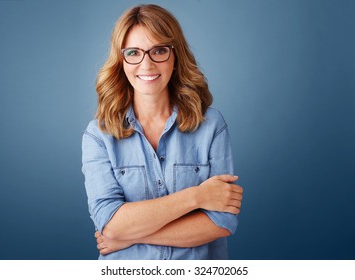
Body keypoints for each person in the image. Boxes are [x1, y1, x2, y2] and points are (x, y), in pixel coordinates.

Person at [81, 4, 243, 260]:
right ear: (121, 60)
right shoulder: (98, 135)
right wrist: (197, 197)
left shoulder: (211, 125)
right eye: (133, 52)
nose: (147, 64)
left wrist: (130, 234)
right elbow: (110, 224)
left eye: (159, 50)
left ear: (175, 56)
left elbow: (222, 223)